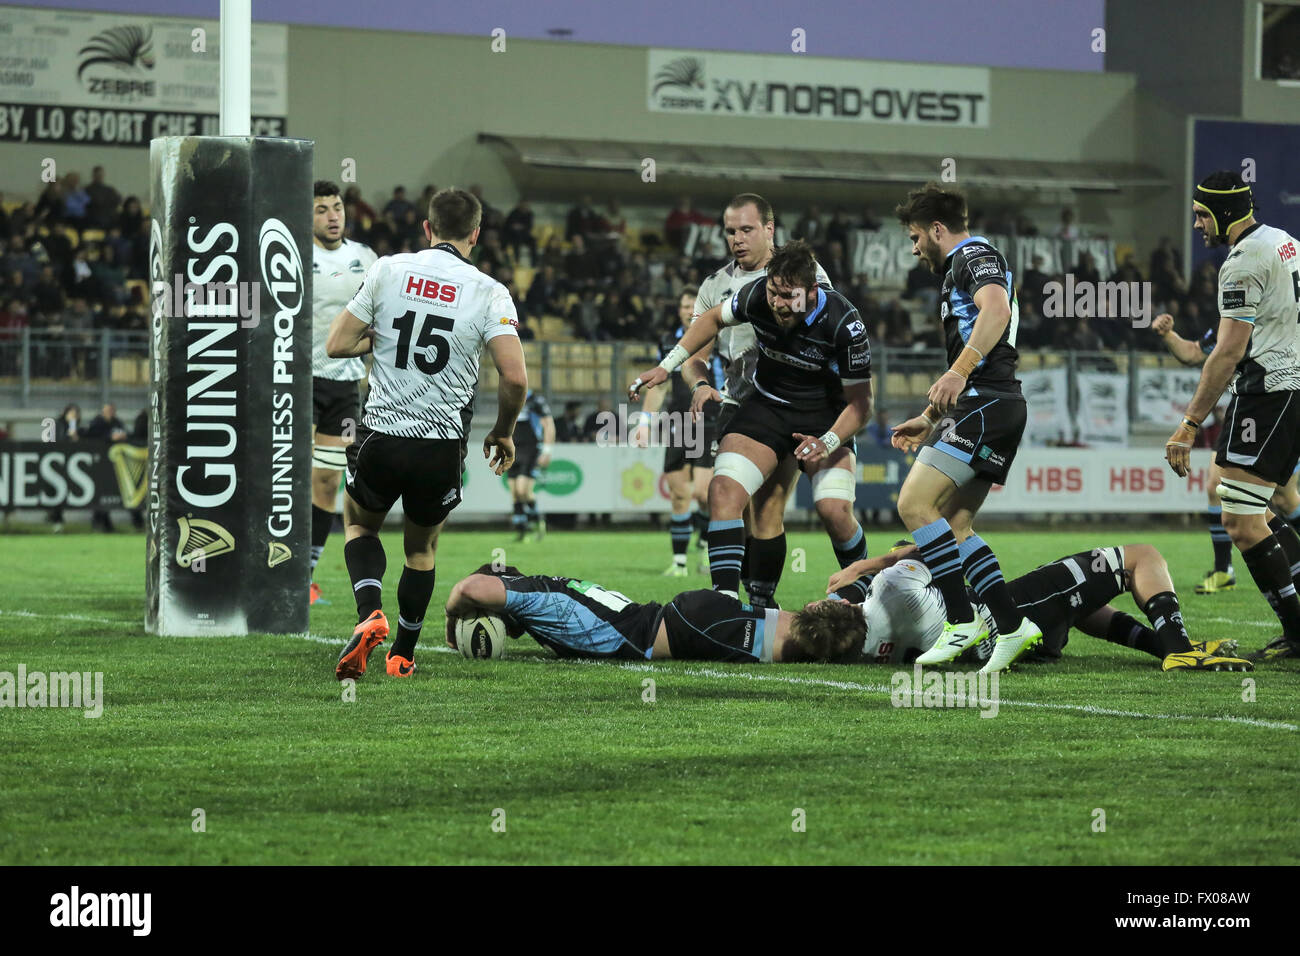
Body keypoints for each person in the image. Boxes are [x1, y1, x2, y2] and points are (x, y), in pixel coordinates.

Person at [325, 187, 528, 680]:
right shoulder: (488, 291)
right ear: (476, 234)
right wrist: (503, 431)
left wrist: (386, 338)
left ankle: (368, 612)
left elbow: (337, 344)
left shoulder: (388, 269)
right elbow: (515, 377)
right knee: (420, 549)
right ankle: (402, 655)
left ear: (427, 228)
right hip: (439, 446)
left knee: (359, 525)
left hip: (381, 435)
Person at [633, 239, 873, 607]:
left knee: (833, 510)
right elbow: (711, 318)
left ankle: (865, 588)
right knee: (724, 491)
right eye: (773, 292)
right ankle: (727, 602)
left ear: (812, 291)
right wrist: (667, 366)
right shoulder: (757, 295)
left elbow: (861, 406)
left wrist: (825, 442)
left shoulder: (845, 323)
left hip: (826, 418)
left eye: (788, 296)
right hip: (768, 407)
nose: (777, 303)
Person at [888, 182, 1041, 673]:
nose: (914, 249)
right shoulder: (962, 267)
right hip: (995, 405)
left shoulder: (972, 255)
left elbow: (996, 310)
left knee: (914, 504)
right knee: (955, 526)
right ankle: (1013, 626)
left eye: (915, 237)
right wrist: (930, 416)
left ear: (937, 230)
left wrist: (958, 371)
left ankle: (959, 620)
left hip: (985, 402)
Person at [1164, 171, 1300, 662]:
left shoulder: (1241, 263)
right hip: (1287, 390)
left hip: (1268, 393)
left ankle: (1297, 630)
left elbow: (1227, 353)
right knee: (1257, 509)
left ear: (1223, 212)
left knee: (1241, 523)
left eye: (1202, 214)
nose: (1198, 223)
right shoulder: (1285, 242)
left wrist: (1188, 424)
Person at [678, 194, 836, 606]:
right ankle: (730, 601)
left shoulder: (805, 273)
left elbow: (823, 332)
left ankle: (760, 601)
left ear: (769, 228)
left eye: (746, 230)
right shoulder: (714, 285)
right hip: (736, 405)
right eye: (730, 231)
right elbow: (696, 356)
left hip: (787, 402)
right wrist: (698, 383)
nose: (737, 239)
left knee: (766, 505)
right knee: (730, 497)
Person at [826, 543, 1251, 672]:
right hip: (1012, 612)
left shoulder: (863, 650)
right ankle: (1180, 650)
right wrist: (869, 563)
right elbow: (936, 542)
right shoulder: (891, 587)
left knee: (1080, 607)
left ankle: (1164, 646)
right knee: (1140, 558)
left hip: (1005, 645)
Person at [444, 564, 865, 663]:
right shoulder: (796, 633)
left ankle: (509, 609)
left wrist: (450, 618)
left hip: (628, 632)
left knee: (535, 589)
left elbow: (466, 589)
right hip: (645, 617)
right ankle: (511, 617)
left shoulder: (543, 598)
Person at [308, 181, 379, 606]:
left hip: (343, 385)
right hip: (294, 379)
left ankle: (304, 576)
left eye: (336, 207)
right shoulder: (293, 256)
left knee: (328, 480)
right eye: (321, 209)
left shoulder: (365, 258)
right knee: (284, 477)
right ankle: (266, 565)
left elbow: (381, 319)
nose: (333, 216)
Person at [637, 286, 721, 575]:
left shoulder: (718, 335)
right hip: (679, 423)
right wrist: (645, 423)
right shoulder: (668, 342)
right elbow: (659, 385)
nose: (688, 311)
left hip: (710, 421)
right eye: (685, 306)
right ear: (680, 310)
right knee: (678, 493)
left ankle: (705, 545)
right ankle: (679, 563)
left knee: (702, 492)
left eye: (693, 306)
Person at [508, 389, 555, 540]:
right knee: (515, 492)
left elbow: (549, 425)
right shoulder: (509, 398)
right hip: (514, 448)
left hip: (531, 448)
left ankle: (538, 522)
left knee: (523, 491)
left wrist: (547, 451)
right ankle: (521, 531)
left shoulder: (536, 401)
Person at [85, 402, 127, 532]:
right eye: (107, 410)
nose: (110, 413)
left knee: (107, 493)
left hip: (112, 464)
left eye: (111, 410)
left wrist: (123, 436)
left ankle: (104, 521)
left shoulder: (117, 423)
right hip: (97, 463)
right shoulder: (96, 423)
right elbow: (92, 437)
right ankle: (99, 521)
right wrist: (110, 438)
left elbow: (126, 433)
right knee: (99, 492)